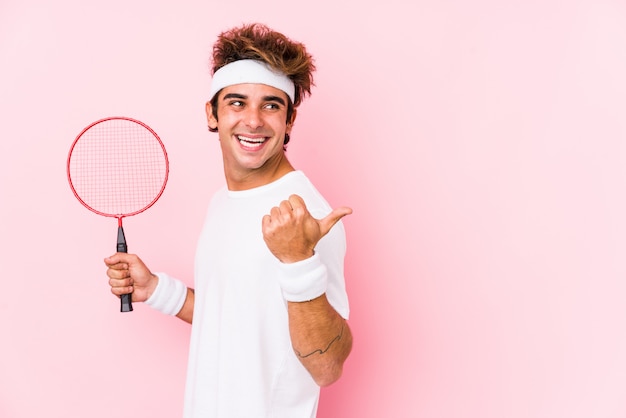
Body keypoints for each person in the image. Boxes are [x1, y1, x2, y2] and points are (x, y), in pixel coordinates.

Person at [104, 23, 353, 418]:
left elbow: (327, 366)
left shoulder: (305, 212)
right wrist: (156, 289)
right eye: (237, 102)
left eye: (271, 105)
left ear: (289, 121)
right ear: (212, 114)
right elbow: (235, 318)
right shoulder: (224, 201)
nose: (253, 120)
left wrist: (299, 261)